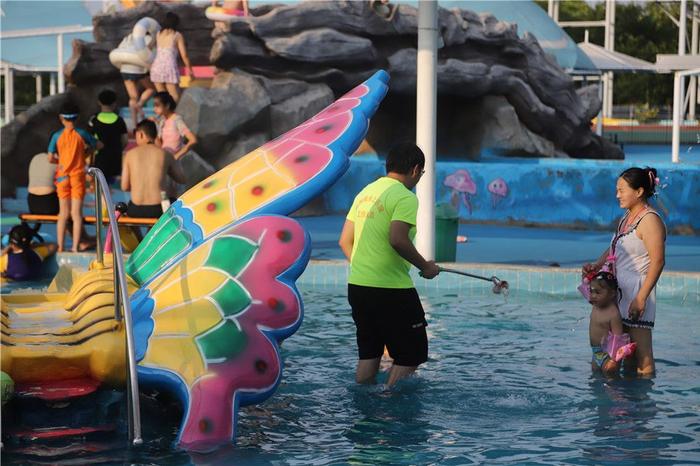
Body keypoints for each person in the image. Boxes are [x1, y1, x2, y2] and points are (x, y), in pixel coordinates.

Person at [338, 142, 440, 387]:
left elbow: (344, 241)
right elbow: (397, 239)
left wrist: (366, 268)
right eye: (421, 174)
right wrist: (425, 266)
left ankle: (364, 410)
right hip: (391, 290)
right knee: (411, 354)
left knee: (369, 353)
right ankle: (389, 404)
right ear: (416, 169)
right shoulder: (404, 196)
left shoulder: (365, 194)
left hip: (359, 287)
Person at [582, 167, 666, 376]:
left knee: (642, 357)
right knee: (624, 354)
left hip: (637, 294)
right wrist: (597, 264)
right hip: (621, 294)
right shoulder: (627, 218)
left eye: (621, 190)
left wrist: (641, 298)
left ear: (638, 192)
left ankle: (644, 403)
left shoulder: (650, 220)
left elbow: (658, 261)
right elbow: (615, 247)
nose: (617, 195)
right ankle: (628, 401)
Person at [48, 103, 101, 252]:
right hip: (77, 176)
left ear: (61, 118)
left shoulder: (57, 136)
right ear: (76, 118)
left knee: (63, 214)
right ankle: (75, 247)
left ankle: (59, 247)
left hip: (62, 177)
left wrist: (62, 161)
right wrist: (87, 152)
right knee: (76, 214)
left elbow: (50, 158)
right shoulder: (82, 134)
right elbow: (99, 145)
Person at [121, 119, 185, 218]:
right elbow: (181, 179)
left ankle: (140, 234)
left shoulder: (129, 155)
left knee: (125, 211)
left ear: (141, 134)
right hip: (158, 209)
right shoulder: (165, 154)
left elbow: (124, 187)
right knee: (171, 200)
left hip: (136, 209)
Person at [588, 272, 625, 376]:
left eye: (598, 292)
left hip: (608, 355)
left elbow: (618, 339)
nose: (593, 295)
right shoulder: (595, 304)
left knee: (611, 382)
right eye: (591, 291)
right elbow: (585, 286)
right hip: (595, 352)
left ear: (612, 294)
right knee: (596, 379)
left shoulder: (613, 313)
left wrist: (614, 360)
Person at [150, 12, 193, 103]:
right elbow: (184, 55)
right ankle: (174, 114)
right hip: (169, 67)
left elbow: (150, 47)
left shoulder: (158, 34)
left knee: (161, 96)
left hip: (157, 66)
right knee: (174, 95)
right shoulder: (177, 35)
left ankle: (163, 115)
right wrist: (190, 70)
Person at [89, 90, 128, 183]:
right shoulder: (119, 120)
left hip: (100, 158)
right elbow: (125, 140)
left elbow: (89, 140)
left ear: (99, 102)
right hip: (115, 158)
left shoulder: (93, 119)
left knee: (100, 186)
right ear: (114, 103)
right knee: (112, 188)